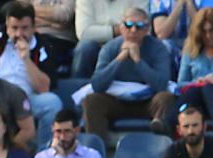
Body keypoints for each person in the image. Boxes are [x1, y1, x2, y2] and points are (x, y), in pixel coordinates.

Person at [0, 1, 62, 148]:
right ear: (7, 27)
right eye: (14, 28)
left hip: (26, 98)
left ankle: (44, 152)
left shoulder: (43, 45)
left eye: (25, 28)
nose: (19, 34)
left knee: (52, 102)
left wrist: (26, 59)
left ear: (33, 27)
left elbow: (44, 88)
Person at [81, 8, 175, 144]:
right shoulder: (109, 47)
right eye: (129, 25)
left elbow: (161, 84)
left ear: (147, 29)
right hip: (117, 102)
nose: (133, 31)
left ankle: (160, 143)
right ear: (121, 27)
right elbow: (97, 84)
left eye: (139, 26)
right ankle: (97, 152)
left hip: (148, 102)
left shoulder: (158, 48)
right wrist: (119, 59)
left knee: (166, 98)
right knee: (91, 101)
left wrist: (138, 60)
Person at [72, 0, 139, 78]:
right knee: (84, 47)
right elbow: (83, 33)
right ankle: (79, 86)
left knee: (132, 47)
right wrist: (118, 30)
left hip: (124, 42)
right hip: (95, 44)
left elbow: (141, 29)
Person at [173, 8, 213, 120]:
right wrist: (198, 82)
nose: (208, 36)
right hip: (196, 100)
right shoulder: (190, 52)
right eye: (204, 32)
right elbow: (180, 84)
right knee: (197, 89)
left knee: (207, 87)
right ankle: (169, 124)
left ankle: (169, 121)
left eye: (211, 30)